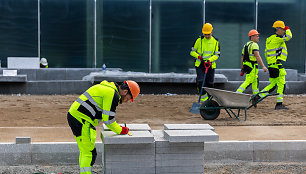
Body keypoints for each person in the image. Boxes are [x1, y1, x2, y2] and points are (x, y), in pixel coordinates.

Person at [67, 80, 140, 174]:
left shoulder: (108, 89)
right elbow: (108, 120)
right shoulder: (112, 94)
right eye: (129, 98)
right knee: (89, 152)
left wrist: (117, 127)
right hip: (81, 119)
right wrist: (121, 130)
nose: (127, 101)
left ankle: (85, 172)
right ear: (125, 92)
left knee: (86, 150)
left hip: (79, 118)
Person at [259, 20, 292, 110]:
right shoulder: (278, 39)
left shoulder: (270, 39)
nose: (284, 31)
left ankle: (258, 97)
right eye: (283, 29)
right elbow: (289, 36)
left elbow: (266, 53)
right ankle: (279, 104)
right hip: (276, 65)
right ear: (278, 29)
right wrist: (288, 28)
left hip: (271, 65)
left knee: (273, 84)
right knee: (282, 84)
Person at [190, 23, 220, 103]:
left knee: (210, 84)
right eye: (205, 34)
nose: (207, 36)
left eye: (208, 34)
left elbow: (217, 55)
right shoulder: (199, 40)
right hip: (200, 65)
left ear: (212, 32)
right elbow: (192, 52)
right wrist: (198, 57)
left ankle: (209, 101)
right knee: (200, 81)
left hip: (210, 65)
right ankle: (203, 100)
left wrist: (209, 60)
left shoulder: (215, 42)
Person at [236, 29, 268, 100]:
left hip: (247, 65)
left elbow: (242, 57)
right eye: (256, 36)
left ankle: (255, 96)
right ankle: (237, 93)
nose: (258, 37)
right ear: (251, 37)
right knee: (248, 81)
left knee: (255, 81)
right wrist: (263, 66)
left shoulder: (246, 45)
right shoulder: (254, 45)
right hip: (252, 66)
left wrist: (242, 67)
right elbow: (257, 56)